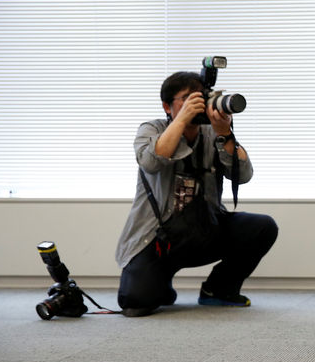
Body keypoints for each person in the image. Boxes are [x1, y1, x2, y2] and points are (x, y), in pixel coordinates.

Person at [115, 71, 278, 317]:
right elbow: (151, 161)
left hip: (204, 228)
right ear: (166, 106)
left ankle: (218, 290)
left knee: (263, 226)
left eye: (201, 97)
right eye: (188, 99)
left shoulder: (213, 132)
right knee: (136, 303)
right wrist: (181, 120)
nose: (197, 104)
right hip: (157, 238)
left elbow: (242, 175)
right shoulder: (151, 129)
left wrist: (225, 133)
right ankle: (159, 282)